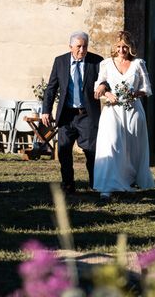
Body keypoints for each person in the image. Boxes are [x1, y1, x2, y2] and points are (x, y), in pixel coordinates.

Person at [41, 32, 106, 194]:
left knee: (91, 152)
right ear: (70, 47)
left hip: (87, 115)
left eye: (85, 46)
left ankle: (94, 184)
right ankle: (68, 184)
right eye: (78, 46)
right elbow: (51, 88)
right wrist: (46, 111)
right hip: (67, 115)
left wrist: (103, 86)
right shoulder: (60, 61)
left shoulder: (96, 61)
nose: (82, 50)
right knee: (63, 151)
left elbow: (106, 81)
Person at [93, 31, 155, 199]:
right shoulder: (106, 64)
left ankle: (128, 180)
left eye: (125, 47)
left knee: (131, 148)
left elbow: (147, 89)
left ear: (130, 48)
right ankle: (108, 185)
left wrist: (134, 94)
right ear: (114, 47)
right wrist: (107, 94)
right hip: (112, 110)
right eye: (118, 47)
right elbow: (98, 87)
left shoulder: (138, 64)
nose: (121, 50)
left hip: (133, 110)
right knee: (112, 143)